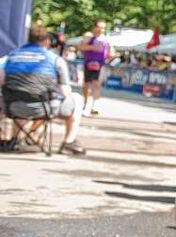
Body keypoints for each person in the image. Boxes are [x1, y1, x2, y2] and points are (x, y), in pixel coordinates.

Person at [0, 25, 87, 155]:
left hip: (12, 107)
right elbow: (65, 92)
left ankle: (15, 139)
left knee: (20, 94)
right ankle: (68, 142)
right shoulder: (55, 60)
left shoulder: (11, 57)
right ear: (47, 41)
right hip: (45, 108)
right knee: (77, 99)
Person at [77, 19, 111, 115]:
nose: (101, 30)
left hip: (100, 65)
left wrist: (110, 54)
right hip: (88, 63)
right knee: (86, 85)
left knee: (96, 84)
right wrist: (92, 47)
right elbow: (80, 47)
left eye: (103, 28)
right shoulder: (89, 37)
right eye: (99, 27)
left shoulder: (106, 39)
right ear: (95, 27)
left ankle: (95, 105)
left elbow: (109, 51)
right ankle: (85, 103)